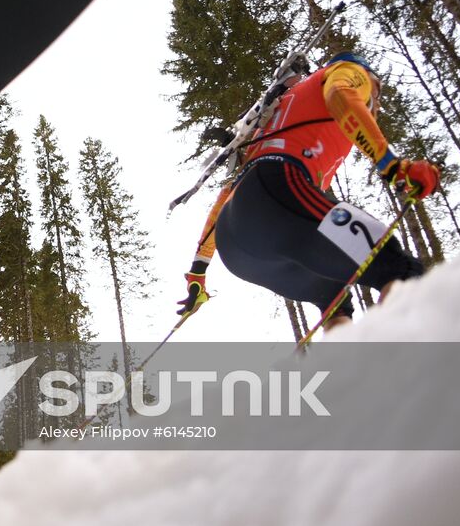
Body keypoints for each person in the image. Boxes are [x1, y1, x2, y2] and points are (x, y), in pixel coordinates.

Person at [176, 52, 439, 330]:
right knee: (397, 267)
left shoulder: (272, 119)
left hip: (239, 245)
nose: (377, 101)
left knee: (335, 299)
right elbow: (340, 95)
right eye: (378, 93)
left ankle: (353, 366)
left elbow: (228, 199)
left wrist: (198, 273)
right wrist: (393, 167)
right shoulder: (348, 71)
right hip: (280, 189)